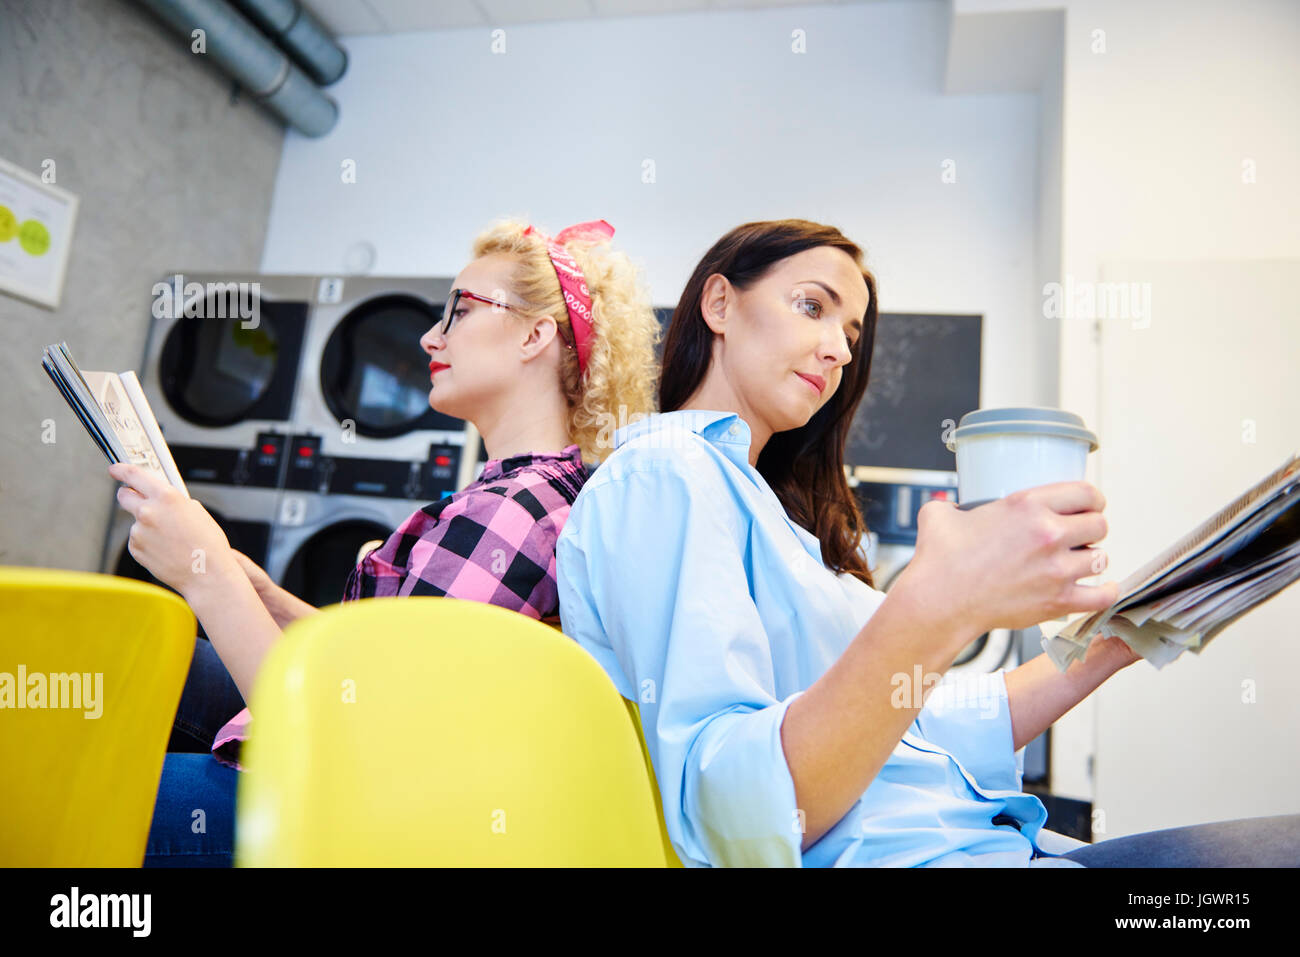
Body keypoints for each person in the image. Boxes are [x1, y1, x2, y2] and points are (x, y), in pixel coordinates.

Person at [554, 218, 1300, 867]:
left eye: (851, 336)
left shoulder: (783, 526)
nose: (839, 351)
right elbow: (738, 811)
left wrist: (1116, 638)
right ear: (720, 302)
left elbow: (920, 719)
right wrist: (934, 606)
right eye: (812, 306)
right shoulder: (664, 476)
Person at [112, 217, 661, 866]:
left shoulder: (512, 515)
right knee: (147, 662)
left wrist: (207, 579)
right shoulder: (532, 494)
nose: (432, 336)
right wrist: (265, 594)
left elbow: (359, 735)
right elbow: (375, 674)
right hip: (359, 768)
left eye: (459, 312)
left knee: (83, 785)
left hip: (335, 806)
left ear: (536, 336)